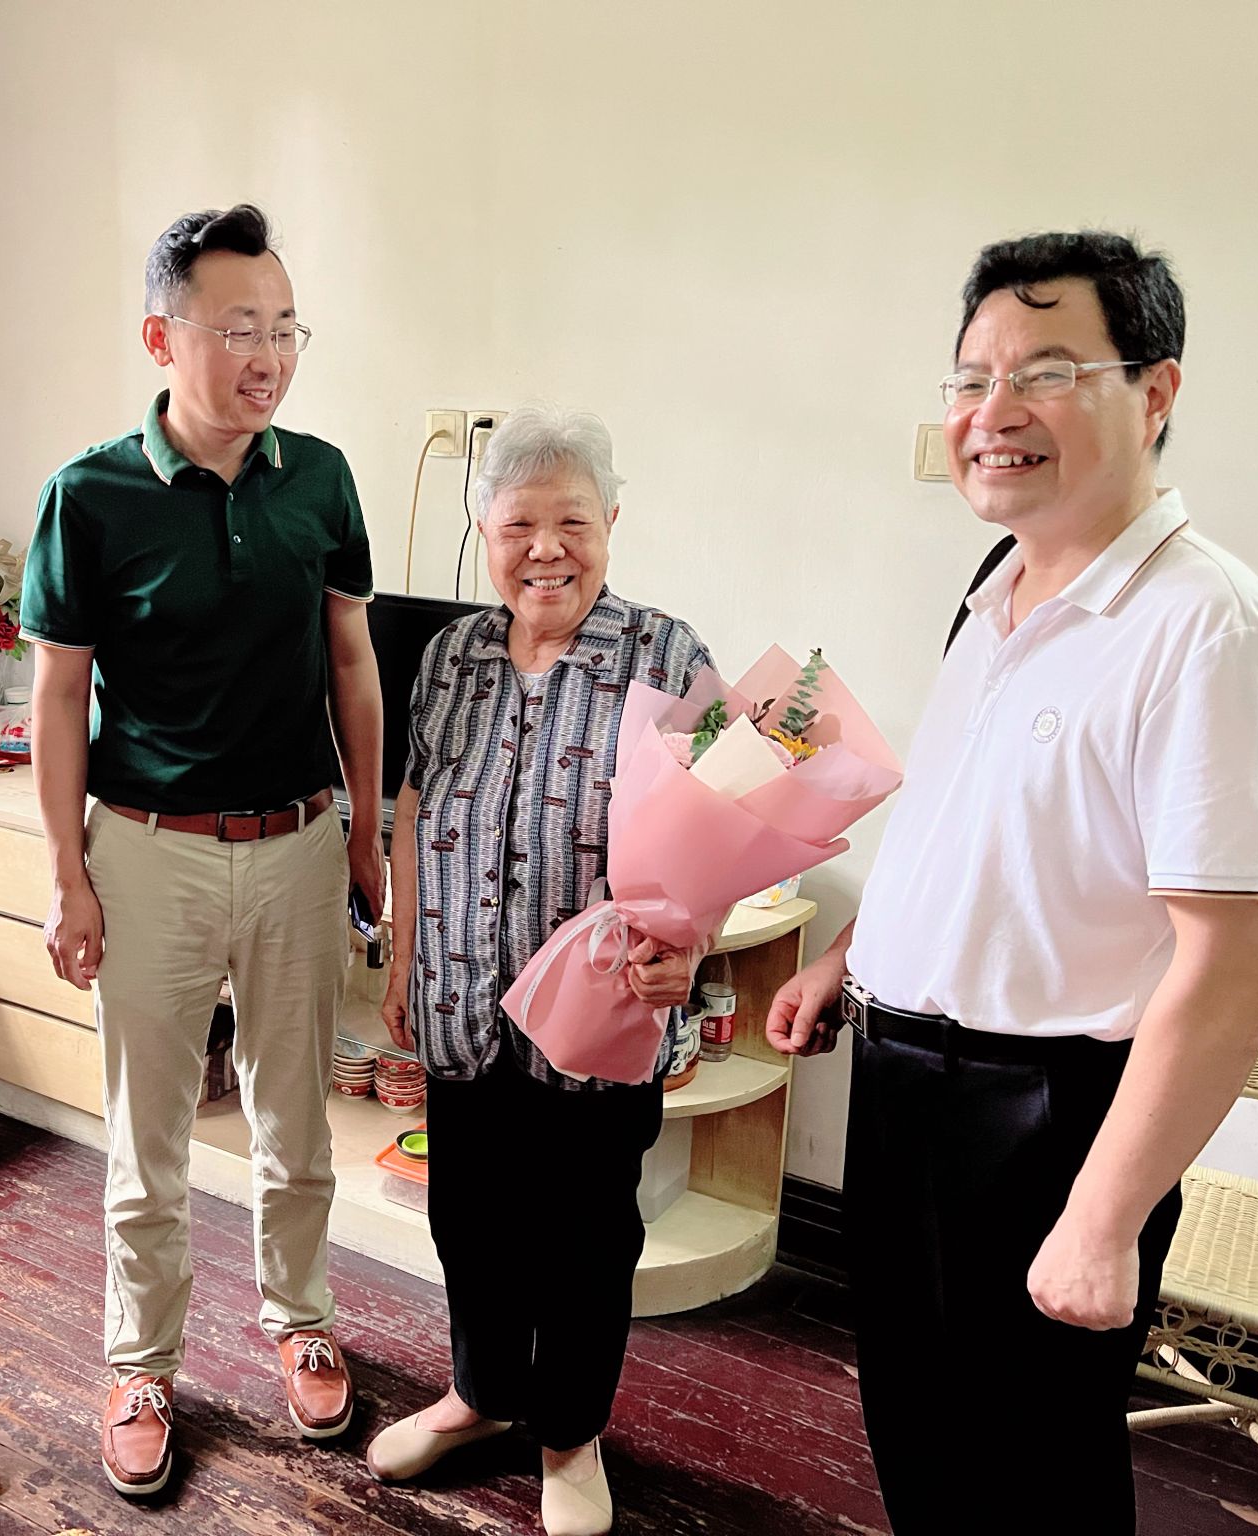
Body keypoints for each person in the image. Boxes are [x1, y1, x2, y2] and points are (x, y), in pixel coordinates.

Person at [766, 233, 1258, 1535]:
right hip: (902, 1084)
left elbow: (1235, 962)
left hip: (1044, 1120)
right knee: (918, 1434)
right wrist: (851, 957)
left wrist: (1104, 1218)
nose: (992, 412)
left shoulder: (1204, 627)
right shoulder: (996, 583)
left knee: (1033, 1477)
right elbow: (969, 817)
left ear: (1155, 392)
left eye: (1047, 372)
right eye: (971, 380)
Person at [20, 204, 384, 1497]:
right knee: (150, 1137)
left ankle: (302, 1320)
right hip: (147, 852)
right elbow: (57, 696)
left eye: (284, 328)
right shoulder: (89, 495)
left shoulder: (321, 478)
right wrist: (65, 873)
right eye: (238, 328)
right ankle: (140, 1364)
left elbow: (352, 661)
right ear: (160, 337)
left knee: (297, 1120)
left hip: (295, 841)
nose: (267, 355)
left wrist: (366, 827)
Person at [367, 406, 708, 1536]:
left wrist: (690, 944)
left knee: (585, 1238)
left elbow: (727, 825)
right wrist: (401, 957)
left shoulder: (665, 655)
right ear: (484, 530)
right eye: (519, 525)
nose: (546, 549)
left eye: (572, 521)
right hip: (462, 994)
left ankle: (569, 1435)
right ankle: (480, 1394)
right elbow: (414, 804)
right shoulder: (452, 655)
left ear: (612, 521)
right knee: (467, 1218)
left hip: (600, 1017)